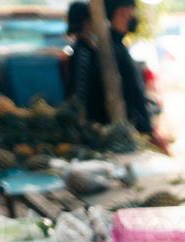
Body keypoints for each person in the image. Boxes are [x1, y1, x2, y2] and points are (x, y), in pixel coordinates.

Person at [67, 0, 167, 150]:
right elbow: (133, 96)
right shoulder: (110, 51)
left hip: (111, 133)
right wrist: (148, 131)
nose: (134, 16)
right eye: (131, 11)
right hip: (115, 135)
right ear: (122, 12)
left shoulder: (110, 47)